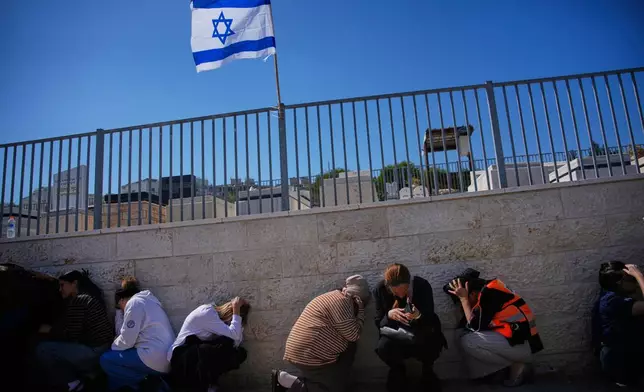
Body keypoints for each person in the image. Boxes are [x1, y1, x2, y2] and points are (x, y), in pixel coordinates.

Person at [271, 275, 371, 392]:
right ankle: (285, 381)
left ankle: (287, 380)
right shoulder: (344, 302)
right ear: (357, 298)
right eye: (363, 302)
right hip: (310, 355)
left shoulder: (334, 296)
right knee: (333, 388)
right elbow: (354, 335)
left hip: (305, 351)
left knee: (339, 380)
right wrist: (361, 311)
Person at [447, 270, 543, 387]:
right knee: (461, 334)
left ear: (471, 294)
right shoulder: (487, 291)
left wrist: (463, 299)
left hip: (523, 345)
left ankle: (517, 365)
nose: (462, 306)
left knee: (469, 341)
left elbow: (475, 327)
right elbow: (467, 325)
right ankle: (495, 373)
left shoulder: (489, 293)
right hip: (515, 342)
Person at [35, 270, 113, 392]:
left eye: (62, 285)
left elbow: (71, 335)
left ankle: (72, 383)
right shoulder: (89, 296)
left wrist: (49, 330)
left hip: (94, 352)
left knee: (43, 348)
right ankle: (88, 374)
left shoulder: (79, 300)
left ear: (74, 283)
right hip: (103, 349)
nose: (60, 289)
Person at [374, 264, 446, 392]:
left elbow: (430, 315)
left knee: (431, 341)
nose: (401, 295)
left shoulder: (422, 285)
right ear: (389, 287)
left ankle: (427, 372)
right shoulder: (380, 289)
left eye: (405, 289)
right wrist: (389, 315)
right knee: (384, 346)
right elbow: (378, 321)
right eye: (396, 292)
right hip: (395, 334)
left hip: (421, 331)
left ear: (409, 283)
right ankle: (398, 371)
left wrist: (418, 315)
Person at [100, 279, 175, 391]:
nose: (122, 311)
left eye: (121, 309)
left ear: (122, 300)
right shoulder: (149, 301)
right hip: (166, 359)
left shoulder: (134, 303)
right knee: (115, 375)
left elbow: (126, 341)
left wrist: (113, 346)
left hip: (153, 357)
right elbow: (126, 333)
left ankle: (148, 381)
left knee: (106, 360)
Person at [168, 297, 250, 392]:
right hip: (180, 358)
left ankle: (210, 384)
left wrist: (237, 320)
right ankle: (204, 386)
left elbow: (236, 341)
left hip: (194, 358)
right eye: (232, 320)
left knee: (238, 353)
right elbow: (234, 335)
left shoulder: (216, 321)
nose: (230, 324)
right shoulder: (207, 313)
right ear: (229, 313)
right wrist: (236, 308)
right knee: (213, 348)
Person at [592, 262, 644, 388]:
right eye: (630, 278)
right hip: (620, 364)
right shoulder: (612, 301)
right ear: (619, 283)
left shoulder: (611, 292)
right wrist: (639, 276)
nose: (634, 281)